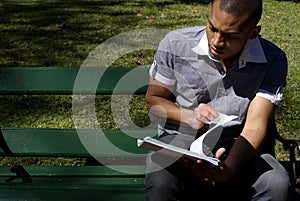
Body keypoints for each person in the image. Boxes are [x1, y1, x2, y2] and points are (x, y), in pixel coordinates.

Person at [144, 0, 290, 200]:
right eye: (212, 28)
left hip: (240, 146)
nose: (216, 42)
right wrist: (188, 115)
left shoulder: (272, 60)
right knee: (161, 180)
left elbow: (255, 126)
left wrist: (229, 168)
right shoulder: (175, 45)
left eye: (230, 36)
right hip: (180, 143)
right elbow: (154, 101)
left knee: (276, 183)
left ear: (253, 33)